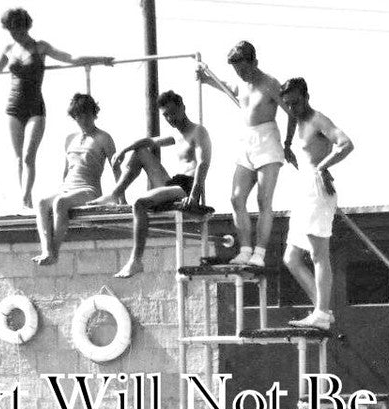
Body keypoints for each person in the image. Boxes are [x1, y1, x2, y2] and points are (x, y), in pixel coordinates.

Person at [0, 8, 115, 208]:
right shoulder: (8, 49)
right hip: (13, 107)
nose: (15, 33)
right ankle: (25, 201)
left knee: (29, 155)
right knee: (19, 157)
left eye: (18, 29)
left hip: (35, 107)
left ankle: (26, 197)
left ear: (25, 27)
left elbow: (70, 57)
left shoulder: (40, 47)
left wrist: (101, 59)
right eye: (11, 30)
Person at [93, 91, 212, 278]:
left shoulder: (198, 131)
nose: (170, 118)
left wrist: (195, 195)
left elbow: (203, 163)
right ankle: (115, 193)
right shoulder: (176, 134)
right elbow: (150, 141)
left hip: (187, 188)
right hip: (173, 183)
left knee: (139, 203)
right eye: (165, 115)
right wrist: (124, 149)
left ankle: (136, 260)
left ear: (183, 108)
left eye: (173, 112)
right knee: (140, 151)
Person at [196, 41, 287, 268]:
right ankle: (246, 250)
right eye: (238, 71)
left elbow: (292, 110)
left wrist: (291, 142)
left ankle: (259, 252)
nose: (242, 75)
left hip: (268, 140)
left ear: (254, 62)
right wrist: (208, 79)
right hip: (247, 142)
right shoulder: (242, 84)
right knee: (236, 198)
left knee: (263, 200)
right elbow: (231, 89)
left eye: (244, 70)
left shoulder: (271, 83)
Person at [278, 78, 354, 331]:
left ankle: (321, 313)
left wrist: (323, 166)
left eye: (297, 102)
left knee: (318, 254)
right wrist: (287, 144)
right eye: (288, 104)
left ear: (307, 97)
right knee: (291, 258)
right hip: (302, 191)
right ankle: (322, 309)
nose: (292, 108)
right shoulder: (294, 117)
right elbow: (290, 119)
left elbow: (346, 144)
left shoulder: (319, 120)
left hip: (318, 189)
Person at [33, 93, 118, 266]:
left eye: (86, 114)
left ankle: (53, 253)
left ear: (93, 114)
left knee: (60, 203)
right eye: (78, 115)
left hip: (88, 190)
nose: (82, 119)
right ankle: (46, 249)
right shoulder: (70, 139)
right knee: (42, 201)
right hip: (68, 188)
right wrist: (62, 188)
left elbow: (116, 167)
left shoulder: (104, 138)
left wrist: (120, 197)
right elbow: (66, 170)